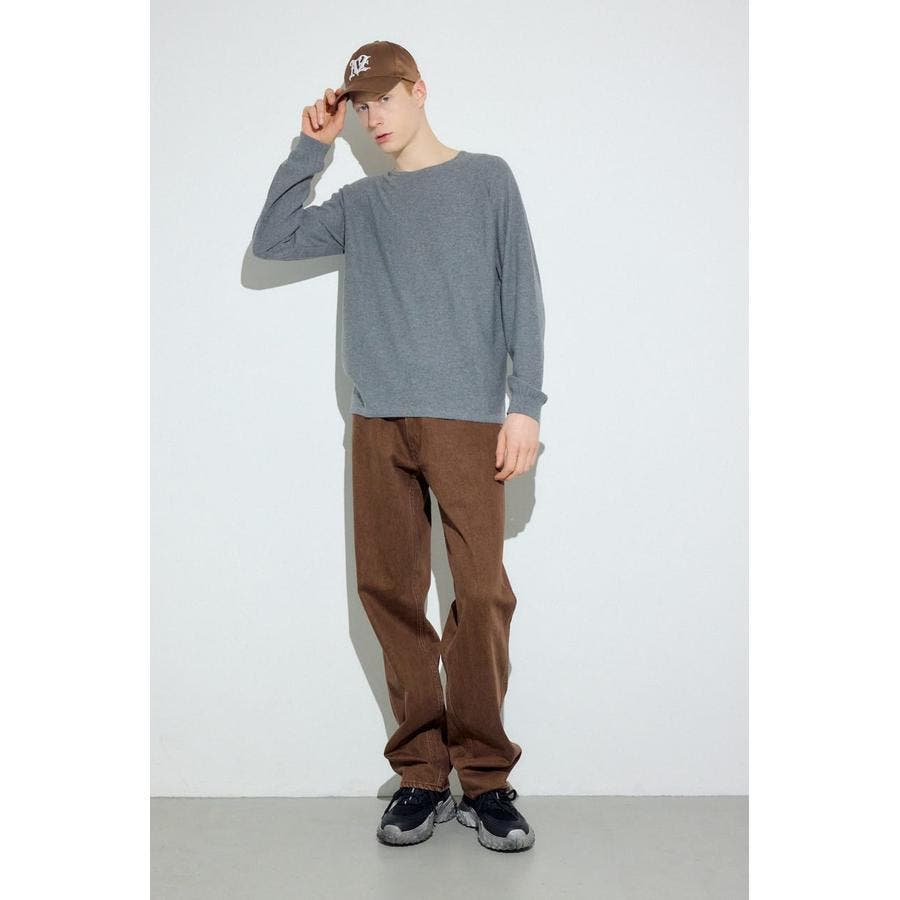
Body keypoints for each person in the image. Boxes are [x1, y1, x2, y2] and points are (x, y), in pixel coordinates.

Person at [251, 40, 546, 853]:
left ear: (420, 90)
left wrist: (525, 406)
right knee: (389, 591)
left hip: (467, 420)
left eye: (384, 98)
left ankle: (485, 778)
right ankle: (421, 773)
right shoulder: (360, 203)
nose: (372, 117)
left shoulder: (486, 179)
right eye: (360, 105)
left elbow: (522, 291)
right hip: (378, 421)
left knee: (480, 594)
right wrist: (309, 148)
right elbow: (273, 241)